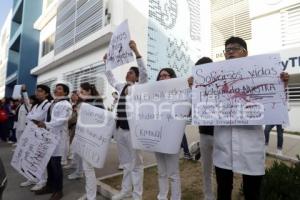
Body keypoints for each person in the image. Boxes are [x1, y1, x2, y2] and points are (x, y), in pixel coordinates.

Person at [213, 36, 289, 200]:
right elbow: (203, 106)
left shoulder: (261, 74)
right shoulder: (214, 78)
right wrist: (195, 88)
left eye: (234, 48)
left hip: (250, 145)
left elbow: (275, 106)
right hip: (223, 145)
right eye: (227, 50)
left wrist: (281, 86)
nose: (229, 52)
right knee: (223, 190)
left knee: (252, 192)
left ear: (245, 52)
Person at [105, 40, 148, 200]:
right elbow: (110, 78)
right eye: (128, 71)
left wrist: (136, 51)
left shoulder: (140, 87)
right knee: (125, 162)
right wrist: (106, 63)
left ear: (136, 77)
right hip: (120, 129)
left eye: (131, 72)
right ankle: (125, 191)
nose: (128, 73)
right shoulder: (121, 86)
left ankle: (137, 195)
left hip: (132, 130)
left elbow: (143, 71)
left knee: (136, 164)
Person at [34, 83, 72, 200]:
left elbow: (61, 121)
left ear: (65, 92)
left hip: (58, 139)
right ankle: (50, 186)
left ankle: (58, 190)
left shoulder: (66, 104)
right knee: (49, 163)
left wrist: (46, 124)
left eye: (59, 89)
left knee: (56, 165)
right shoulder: (53, 103)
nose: (56, 90)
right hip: (49, 137)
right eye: (56, 88)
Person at [189, 56, 215, 200]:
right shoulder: (196, 88)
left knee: (222, 169)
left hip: (221, 133)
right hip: (204, 133)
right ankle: (208, 195)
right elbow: (189, 108)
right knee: (206, 168)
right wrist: (189, 88)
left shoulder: (220, 84)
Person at [74, 82, 105, 200]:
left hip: (92, 140)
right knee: (87, 169)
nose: (80, 94)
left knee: (88, 168)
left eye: (82, 92)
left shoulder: (96, 104)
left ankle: (91, 196)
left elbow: (99, 122)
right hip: (85, 138)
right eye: (79, 92)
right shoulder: (86, 103)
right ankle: (90, 193)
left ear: (89, 92)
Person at [155, 68, 182, 200]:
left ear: (172, 77)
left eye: (165, 75)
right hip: (157, 137)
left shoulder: (179, 94)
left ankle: (176, 197)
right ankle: (162, 196)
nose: (162, 78)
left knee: (173, 172)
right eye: (160, 76)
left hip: (172, 138)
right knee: (161, 171)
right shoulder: (154, 96)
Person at [19, 85, 52, 191]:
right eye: (37, 91)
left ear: (46, 93)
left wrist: (31, 116)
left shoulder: (47, 104)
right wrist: (24, 91)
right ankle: (32, 177)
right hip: (32, 134)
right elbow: (31, 115)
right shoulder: (36, 105)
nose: (37, 93)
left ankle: (42, 181)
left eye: (40, 91)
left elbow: (37, 117)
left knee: (39, 159)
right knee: (30, 157)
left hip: (41, 135)